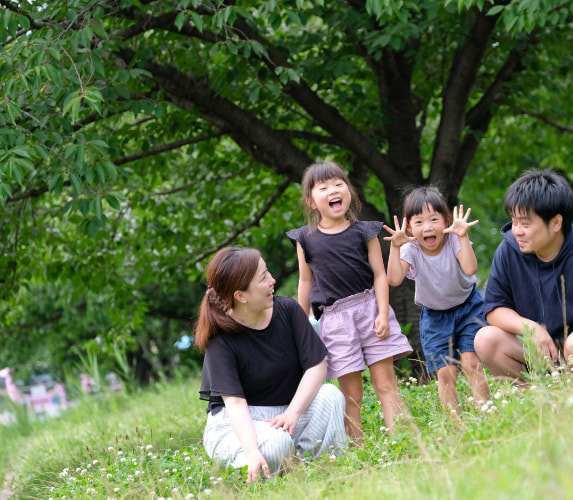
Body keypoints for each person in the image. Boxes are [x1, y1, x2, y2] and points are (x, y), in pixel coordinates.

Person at [196, 246, 346, 483]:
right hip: (239, 425)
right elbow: (234, 404)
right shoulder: (220, 339)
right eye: (263, 278)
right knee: (277, 442)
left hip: (287, 413)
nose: (273, 281)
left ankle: (317, 471)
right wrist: (252, 451)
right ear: (240, 296)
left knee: (330, 395)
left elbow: (317, 366)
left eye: (268, 272)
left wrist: (293, 411)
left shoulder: (287, 310)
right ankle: (251, 474)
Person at [286, 161, 412, 442]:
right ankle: (357, 449)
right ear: (311, 201)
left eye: (339, 183)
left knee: (385, 384)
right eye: (324, 187)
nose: (334, 190)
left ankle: (401, 442)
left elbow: (380, 275)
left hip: (370, 309)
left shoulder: (364, 231)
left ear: (350, 191)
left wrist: (382, 313)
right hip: (335, 318)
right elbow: (305, 282)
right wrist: (301, 324)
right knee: (351, 394)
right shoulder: (305, 239)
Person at [474, 169, 573, 382]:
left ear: (556, 223)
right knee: (486, 338)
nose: (517, 231)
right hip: (538, 352)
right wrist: (530, 328)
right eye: (514, 221)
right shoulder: (507, 252)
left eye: (525, 223)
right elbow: (495, 309)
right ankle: (536, 405)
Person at [385, 186, 491, 415]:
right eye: (419, 222)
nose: (428, 227)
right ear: (409, 226)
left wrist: (463, 236)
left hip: (468, 307)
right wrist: (395, 246)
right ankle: (454, 422)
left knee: (471, 363)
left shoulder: (454, 241)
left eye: (434, 219)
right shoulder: (410, 249)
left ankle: (486, 412)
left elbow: (471, 268)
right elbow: (393, 279)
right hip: (434, 316)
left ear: (447, 220)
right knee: (446, 372)